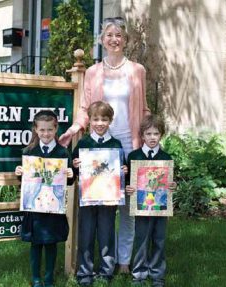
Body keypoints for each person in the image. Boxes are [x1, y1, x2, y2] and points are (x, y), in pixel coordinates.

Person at [59, 16, 150, 273]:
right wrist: (74, 129)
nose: (114, 39)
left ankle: (123, 262)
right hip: (101, 146)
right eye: (109, 35)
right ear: (102, 39)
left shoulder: (137, 70)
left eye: (119, 35)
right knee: (100, 202)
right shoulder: (92, 72)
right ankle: (96, 260)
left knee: (127, 207)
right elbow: (86, 109)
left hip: (128, 141)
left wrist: (146, 143)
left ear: (126, 40)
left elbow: (142, 109)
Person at [15, 110, 74, 287]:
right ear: (35, 129)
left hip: (53, 208)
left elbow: (69, 181)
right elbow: (24, 180)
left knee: (51, 243)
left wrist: (71, 174)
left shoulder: (63, 153)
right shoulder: (29, 151)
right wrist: (19, 173)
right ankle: (36, 278)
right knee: (35, 243)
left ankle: (48, 278)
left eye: (50, 130)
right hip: (35, 208)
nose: (46, 134)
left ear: (56, 129)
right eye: (42, 130)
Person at [72, 101, 128, 286]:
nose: (100, 123)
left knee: (107, 234)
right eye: (96, 119)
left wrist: (123, 170)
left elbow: (121, 169)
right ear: (90, 121)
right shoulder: (83, 143)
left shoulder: (116, 144)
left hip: (108, 199)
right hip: (87, 198)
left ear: (110, 121)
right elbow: (72, 170)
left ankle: (106, 271)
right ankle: (84, 273)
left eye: (104, 119)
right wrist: (75, 165)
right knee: (86, 234)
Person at [125, 114, 177, 287]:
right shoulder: (134, 157)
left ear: (161, 135)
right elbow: (128, 183)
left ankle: (157, 275)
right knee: (141, 238)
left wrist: (172, 186)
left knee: (159, 239)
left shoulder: (166, 158)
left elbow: (169, 183)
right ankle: (139, 273)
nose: (152, 137)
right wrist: (129, 188)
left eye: (156, 133)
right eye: (148, 134)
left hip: (160, 207)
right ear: (142, 136)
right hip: (141, 206)